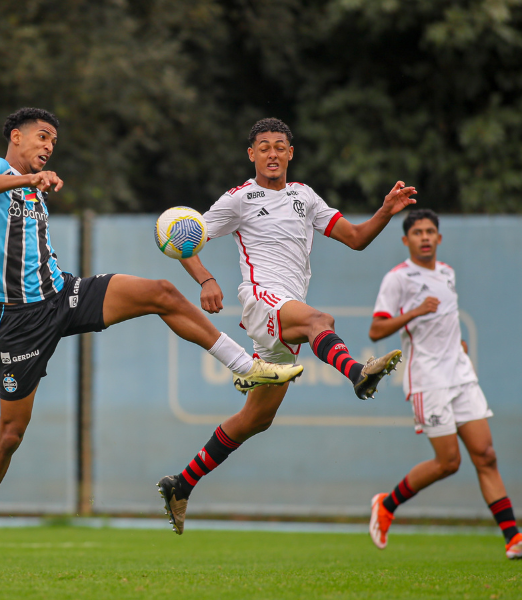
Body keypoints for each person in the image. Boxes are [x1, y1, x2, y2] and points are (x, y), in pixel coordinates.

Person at [0, 108, 304, 574]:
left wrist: (33, 187)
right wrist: (25, 183)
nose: (48, 146)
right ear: (15, 137)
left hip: (63, 292)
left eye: (53, 140)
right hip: (22, 319)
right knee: (11, 434)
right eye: (42, 137)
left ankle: (246, 366)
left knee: (160, 292)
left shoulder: (34, 189)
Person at [157, 118, 414, 534]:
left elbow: (355, 237)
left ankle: (180, 484)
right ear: (252, 155)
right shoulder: (239, 198)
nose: (272, 153)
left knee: (257, 418)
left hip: (285, 307)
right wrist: (205, 279)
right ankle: (357, 373)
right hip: (262, 300)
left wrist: (385, 210)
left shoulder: (305, 197)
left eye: (280, 146)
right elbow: (181, 236)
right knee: (319, 320)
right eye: (264, 146)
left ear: (291, 153)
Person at [367, 208, 522, 560]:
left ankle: (512, 538)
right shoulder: (398, 279)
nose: (424, 237)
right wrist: (414, 313)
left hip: (460, 375)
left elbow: (445, 322)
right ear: (406, 240)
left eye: (429, 231)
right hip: (427, 379)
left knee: (486, 456)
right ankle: (386, 504)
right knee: (448, 462)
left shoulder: (448, 273)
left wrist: (458, 343)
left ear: (439, 238)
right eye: (417, 232)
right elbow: (376, 330)